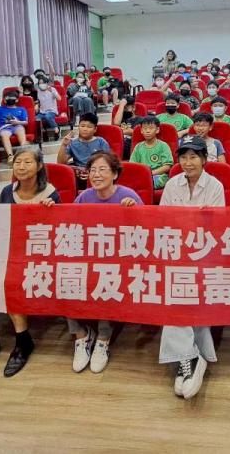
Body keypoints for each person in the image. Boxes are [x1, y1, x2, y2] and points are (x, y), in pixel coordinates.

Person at [0, 149, 60, 380]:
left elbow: (59, 231)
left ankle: (23, 340)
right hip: (8, 249)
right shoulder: (7, 191)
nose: (21, 166)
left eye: (28, 162)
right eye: (18, 162)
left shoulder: (51, 193)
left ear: (39, 166)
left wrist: (51, 211)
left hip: (38, 254)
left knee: (10, 278)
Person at [158, 141, 225, 398]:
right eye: (184, 157)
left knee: (182, 294)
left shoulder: (215, 186)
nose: (188, 163)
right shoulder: (172, 184)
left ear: (204, 159)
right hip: (176, 250)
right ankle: (193, 356)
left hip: (205, 252)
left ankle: (186, 359)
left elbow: (216, 226)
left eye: (193, 157)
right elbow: (163, 219)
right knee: (177, 292)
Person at [71, 151, 143, 374]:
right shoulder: (84, 197)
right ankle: (81, 336)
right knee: (66, 276)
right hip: (89, 255)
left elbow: (146, 229)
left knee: (106, 276)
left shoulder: (128, 195)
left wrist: (134, 211)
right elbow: (68, 222)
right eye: (92, 170)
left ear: (114, 174)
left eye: (102, 170)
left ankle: (103, 338)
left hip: (120, 258)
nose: (96, 175)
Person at [57, 112, 111, 184]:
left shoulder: (101, 142)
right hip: (79, 175)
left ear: (95, 129)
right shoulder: (73, 143)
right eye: (82, 126)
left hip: (97, 174)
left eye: (89, 127)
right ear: (78, 127)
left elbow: (108, 163)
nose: (85, 129)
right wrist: (63, 145)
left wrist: (93, 172)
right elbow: (61, 163)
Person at [130, 116, 174, 189]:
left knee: (153, 182)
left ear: (157, 130)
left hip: (159, 176)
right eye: (145, 128)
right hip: (142, 175)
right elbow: (133, 165)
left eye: (151, 128)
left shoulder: (163, 145)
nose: (147, 131)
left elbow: (167, 166)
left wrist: (150, 173)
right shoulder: (138, 147)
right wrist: (142, 174)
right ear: (141, 130)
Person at [0, 90, 30, 161]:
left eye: (12, 98)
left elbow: (26, 122)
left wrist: (17, 122)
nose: (10, 99)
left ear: (17, 100)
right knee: (4, 135)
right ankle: (10, 156)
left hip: (17, 125)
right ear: (4, 100)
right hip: (4, 128)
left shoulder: (21, 109)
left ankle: (23, 152)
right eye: (7, 98)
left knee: (20, 130)